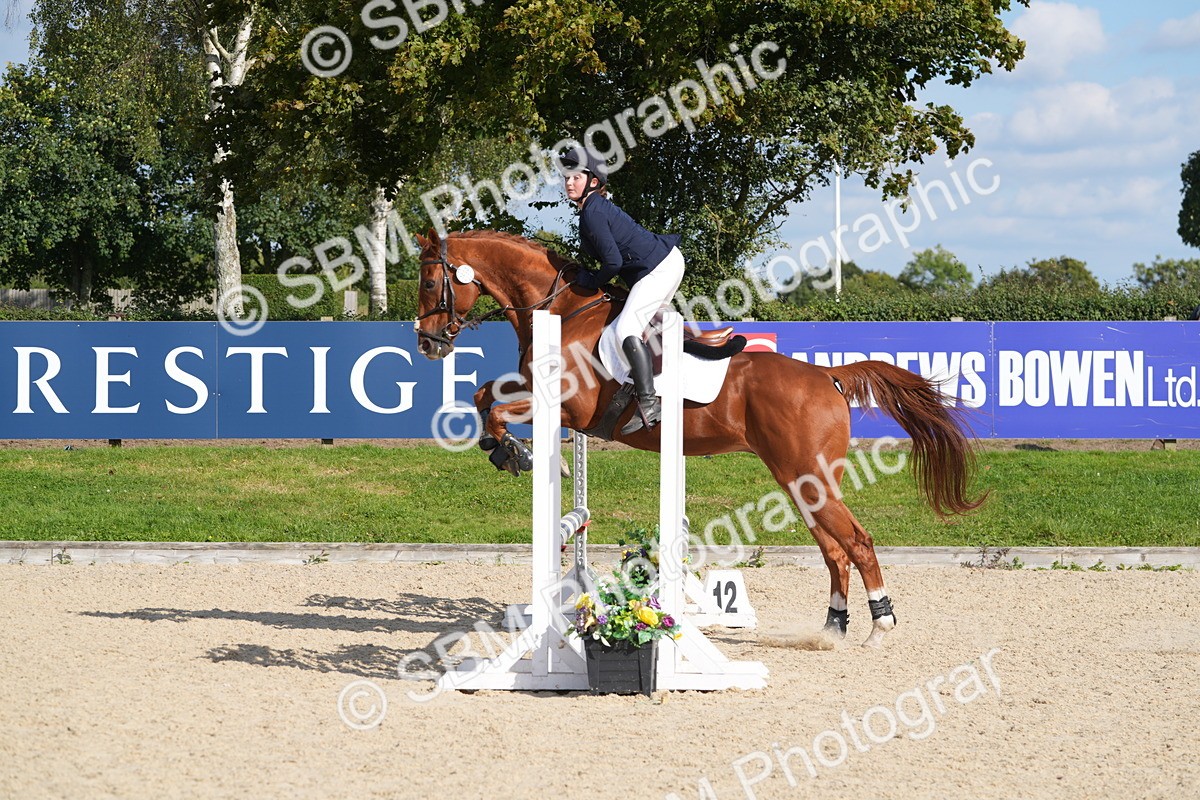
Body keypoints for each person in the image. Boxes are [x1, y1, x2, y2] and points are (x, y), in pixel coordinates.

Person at [560, 147, 685, 433]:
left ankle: (649, 401)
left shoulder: (593, 211)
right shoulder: (592, 209)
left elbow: (613, 262)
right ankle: (645, 391)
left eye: (575, 177)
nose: (569, 182)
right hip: (663, 264)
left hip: (659, 268)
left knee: (624, 331)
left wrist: (591, 281)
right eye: (567, 177)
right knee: (646, 330)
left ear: (593, 181)